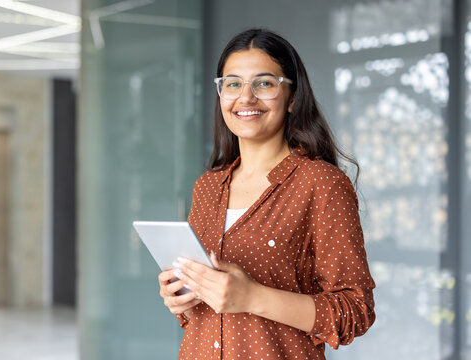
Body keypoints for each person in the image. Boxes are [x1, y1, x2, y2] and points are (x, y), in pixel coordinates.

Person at [158, 28, 376, 359]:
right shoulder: (206, 187)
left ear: (292, 98)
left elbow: (355, 311)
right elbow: (202, 313)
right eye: (232, 84)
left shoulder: (322, 184)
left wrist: (252, 297)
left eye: (264, 83)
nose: (245, 97)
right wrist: (181, 298)